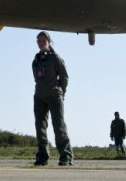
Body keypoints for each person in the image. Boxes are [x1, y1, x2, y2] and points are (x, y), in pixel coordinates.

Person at [32, 31, 73, 166]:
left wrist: (61, 91)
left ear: (49, 41)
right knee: (40, 127)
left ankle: (65, 156)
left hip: (54, 96)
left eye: (43, 40)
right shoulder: (36, 60)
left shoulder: (55, 58)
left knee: (59, 126)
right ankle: (42, 157)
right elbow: (37, 79)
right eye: (39, 40)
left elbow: (64, 77)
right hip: (39, 97)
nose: (41, 42)